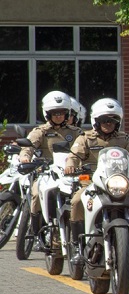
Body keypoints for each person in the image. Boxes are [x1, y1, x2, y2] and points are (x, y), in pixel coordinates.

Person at [64, 98, 129, 265]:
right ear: (96, 121)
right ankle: (78, 247)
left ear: (118, 122)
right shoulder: (85, 138)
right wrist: (71, 166)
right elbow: (73, 156)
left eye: (112, 120)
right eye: (104, 120)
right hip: (93, 183)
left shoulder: (125, 139)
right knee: (77, 200)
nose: (108, 124)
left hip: (120, 182)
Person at [19, 91, 84, 241]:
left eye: (62, 113)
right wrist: (25, 158)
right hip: (46, 173)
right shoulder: (40, 131)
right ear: (47, 114)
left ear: (67, 113)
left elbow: (85, 147)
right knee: (35, 193)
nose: (59, 116)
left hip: (70, 174)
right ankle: (37, 232)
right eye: (55, 113)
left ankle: (81, 231)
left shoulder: (76, 132)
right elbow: (28, 147)